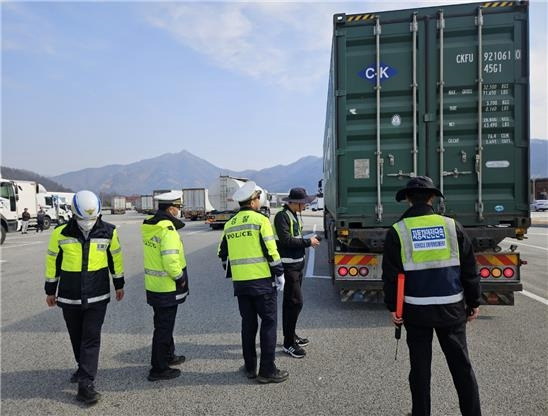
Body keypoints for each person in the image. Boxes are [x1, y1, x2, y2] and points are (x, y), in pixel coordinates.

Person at [382, 176, 481, 416]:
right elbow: (469, 268)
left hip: (416, 311)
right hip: (451, 309)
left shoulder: (398, 230)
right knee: (461, 367)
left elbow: (391, 275)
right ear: (432, 197)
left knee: (419, 369)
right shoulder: (451, 226)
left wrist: (393, 309)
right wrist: (474, 301)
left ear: (407, 199)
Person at [44, 190, 125, 405]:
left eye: (92, 218)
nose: (88, 223)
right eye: (83, 218)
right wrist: (50, 290)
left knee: (91, 337)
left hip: (97, 295)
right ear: (73, 214)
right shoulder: (60, 233)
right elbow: (53, 263)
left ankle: (86, 383)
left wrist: (119, 284)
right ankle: (83, 368)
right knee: (76, 336)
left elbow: (115, 259)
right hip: (69, 296)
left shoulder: (109, 232)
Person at [217, 181, 289, 384]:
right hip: (262, 283)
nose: (259, 201)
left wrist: (235, 271)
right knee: (268, 323)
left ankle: (250, 367)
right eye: (258, 198)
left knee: (248, 325)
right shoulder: (260, 220)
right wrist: (279, 272)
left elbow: (222, 253)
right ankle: (267, 371)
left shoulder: (230, 224)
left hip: (241, 284)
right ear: (254, 200)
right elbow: (271, 250)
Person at [141, 191, 189, 382]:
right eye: (178, 207)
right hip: (168, 287)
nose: (179, 211)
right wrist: (179, 277)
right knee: (163, 328)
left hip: (154, 286)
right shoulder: (167, 229)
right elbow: (170, 260)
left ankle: (169, 355)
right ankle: (158, 368)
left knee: (162, 324)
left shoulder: (150, 226)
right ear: (170, 209)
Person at [273, 187, 320, 358]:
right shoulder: (281, 216)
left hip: (297, 265)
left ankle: (290, 335)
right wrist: (308, 242)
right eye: (303, 203)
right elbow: (286, 241)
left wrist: (307, 242)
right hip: (289, 267)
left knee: (290, 303)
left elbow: (294, 237)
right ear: (293, 202)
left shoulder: (292, 215)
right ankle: (288, 344)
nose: (306, 205)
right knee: (295, 303)